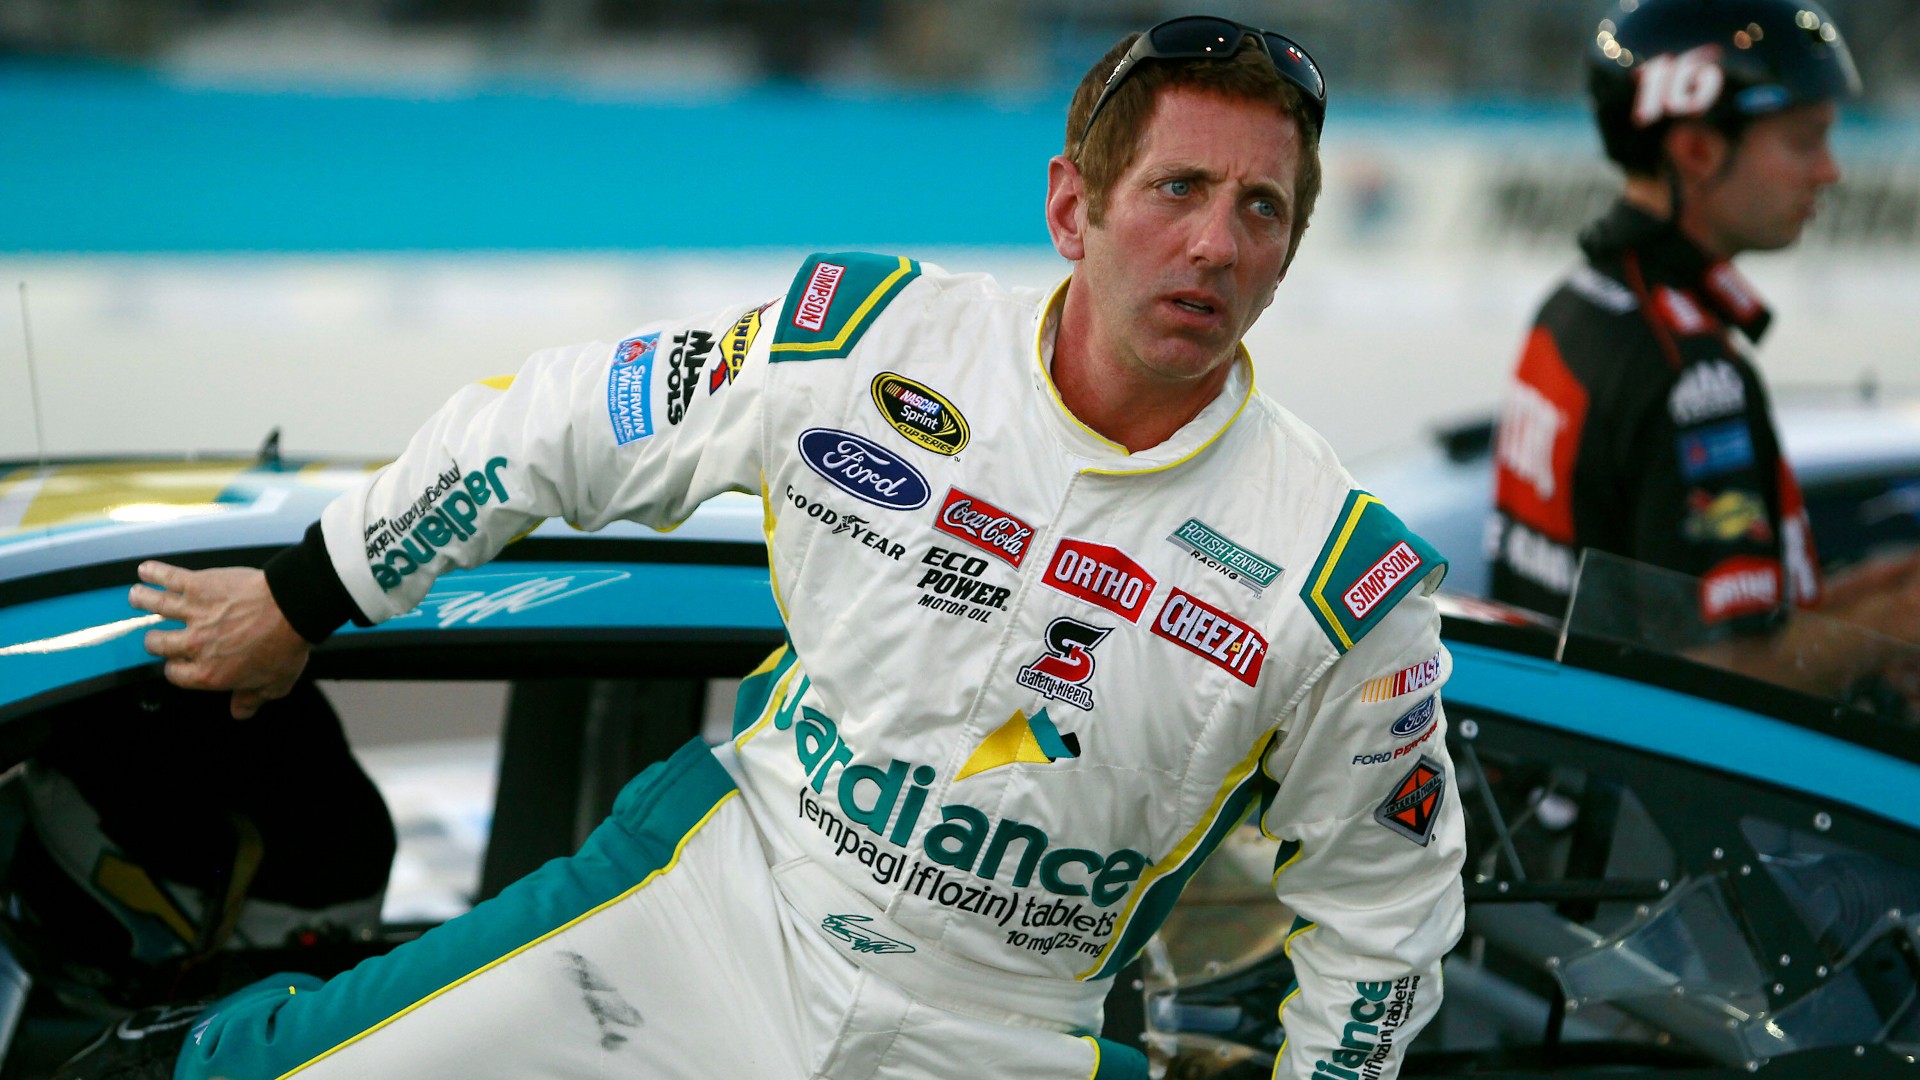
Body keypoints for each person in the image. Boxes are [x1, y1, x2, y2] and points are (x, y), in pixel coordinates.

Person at [83, 16, 1464, 1080]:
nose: (1216, 242)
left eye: (1262, 208)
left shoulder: (1341, 577)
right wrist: (305, 595)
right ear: (1071, 208)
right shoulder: (865, 341)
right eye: (1178, 188)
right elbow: (556, 424)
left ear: (1291, 252)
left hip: (1006, 1032)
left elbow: (1387, 917)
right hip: (715, 916)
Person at [1488, 0, 1920, 693]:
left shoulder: (1579, 306)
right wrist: (1897, 623)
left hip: (1553, 738)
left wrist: (1871, 600)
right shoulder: (1688, 372)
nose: (1830, 171)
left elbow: (1648, 623)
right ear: (1695, 150)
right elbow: (1708, 683)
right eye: (1804, 141)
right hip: (1623, 757)